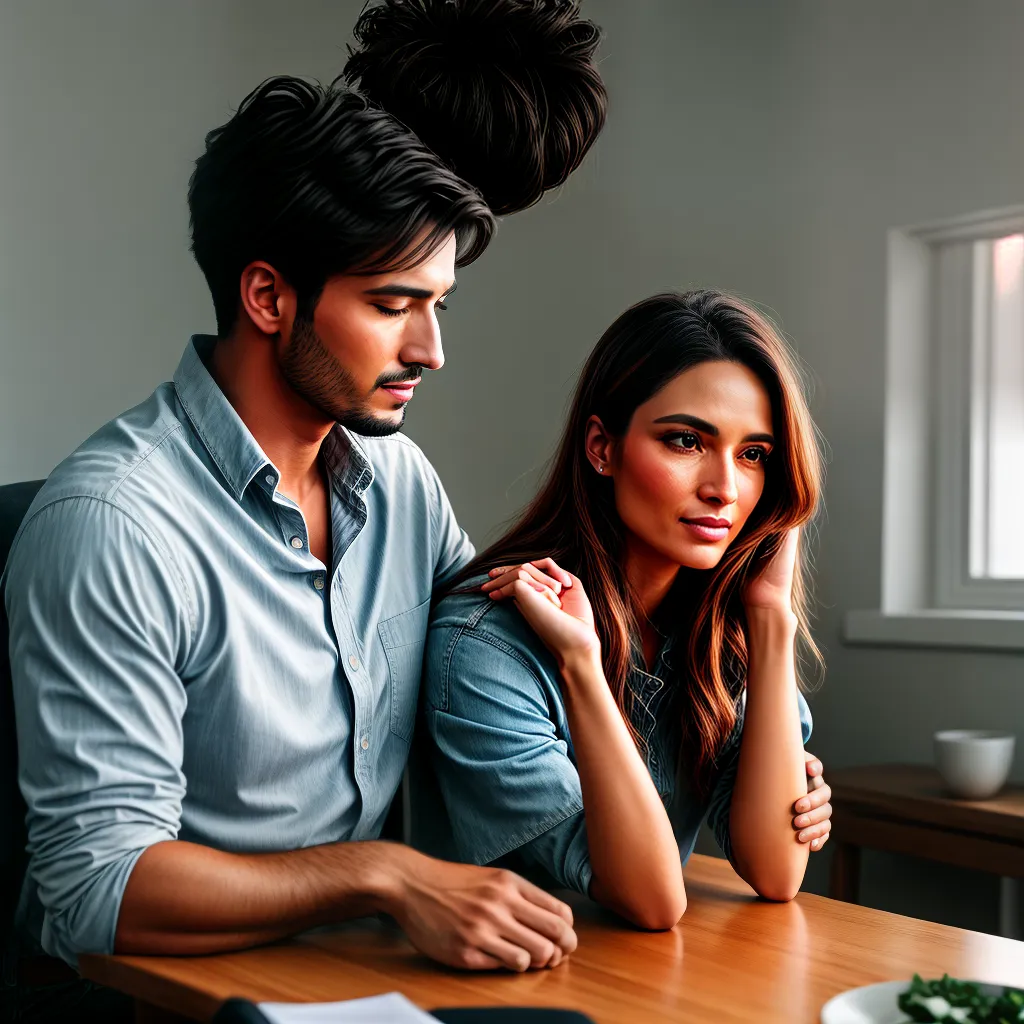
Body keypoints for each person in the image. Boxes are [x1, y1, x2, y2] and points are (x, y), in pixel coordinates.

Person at [2, 1, 607, 1012]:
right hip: (169, 1000)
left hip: (359, 983)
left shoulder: (399, 483)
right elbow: (91, 888)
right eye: (390, 305)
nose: (429, 351)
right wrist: (383, 872)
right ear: (268, 297)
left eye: (436, 306)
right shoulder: (112, 525)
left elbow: (492, 674)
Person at [416, 290, 833, 931]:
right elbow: (652, 900)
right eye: (686, 441)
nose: (725, 487)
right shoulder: (485, 644)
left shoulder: (723, 637)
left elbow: (776, 872)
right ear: (602, 447)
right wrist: (581, 665)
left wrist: (773, 614)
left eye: (754, 455)